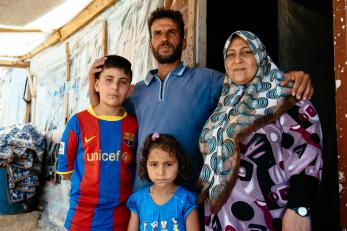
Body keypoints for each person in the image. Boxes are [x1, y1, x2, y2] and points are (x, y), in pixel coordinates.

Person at [88, 8, 314, 195]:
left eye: (171, 33)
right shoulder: (136, 91)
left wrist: (290, 77)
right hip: (143, 195)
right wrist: (92, 82)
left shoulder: (207, 80)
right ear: (150, 44)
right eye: (157, 34)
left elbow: (247, 81)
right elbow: (105, 113)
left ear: (184, 41)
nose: (164, 38)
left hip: (188, 197)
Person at [200, 30, 322, 231]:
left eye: (246, 52)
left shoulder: (287, 96)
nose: (237, 59)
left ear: (259, 56)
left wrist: (300, 208)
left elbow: (308, 155)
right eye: (230, 54)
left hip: (272, 216)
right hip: (222, 220)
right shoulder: (223, 107)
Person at [57, 55, 138, 231]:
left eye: (122, 81)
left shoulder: (133, 124)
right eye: (108, 80)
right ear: (96, 85)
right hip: (82, 219)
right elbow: (65, 171)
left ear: (130, 89)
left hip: (121, 220)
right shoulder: (78, 122)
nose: (115, 87)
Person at [126, 132, 199, 231]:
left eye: (168, 164)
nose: (161, 172)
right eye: (154, 164)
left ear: (179, 166)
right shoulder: (138, 200)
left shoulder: (186, 200)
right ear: (145, 166)